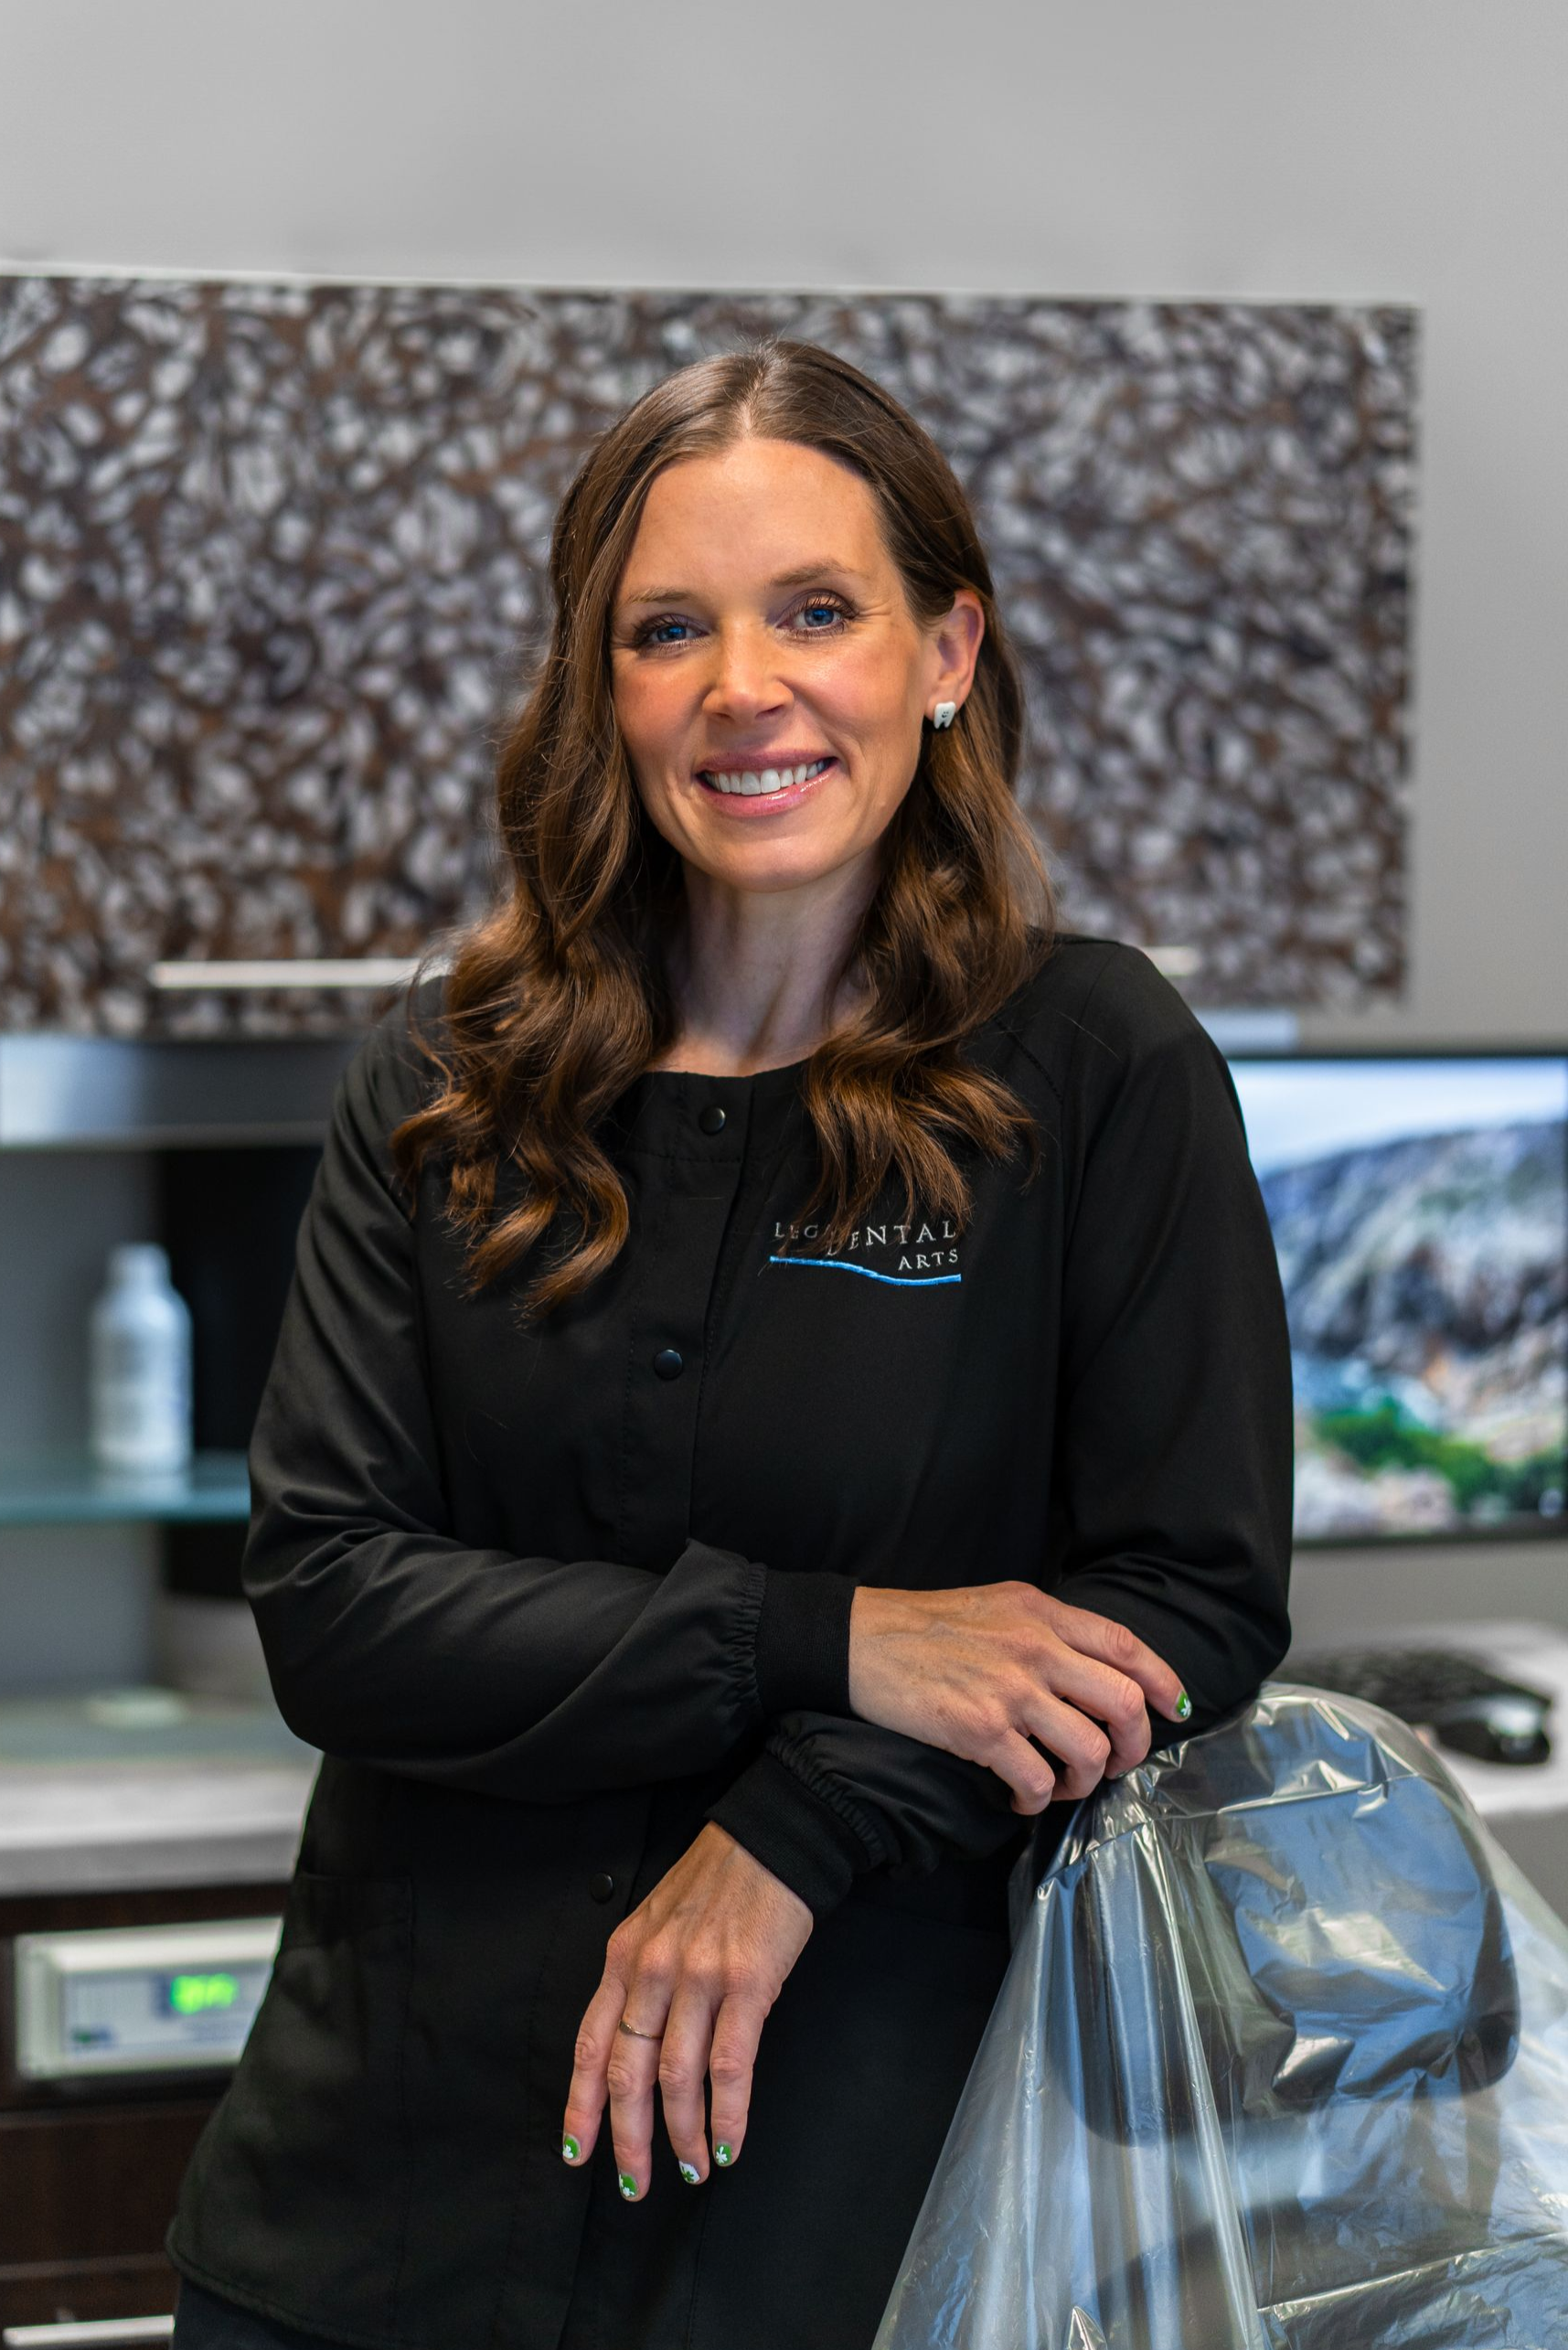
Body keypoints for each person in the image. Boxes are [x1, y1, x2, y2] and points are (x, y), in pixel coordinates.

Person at [167, 339, 1293, 2350]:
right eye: (665, 629)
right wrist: (829, 1635)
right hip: (383, 2202)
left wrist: (786, 1828)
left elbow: (1179, 1599)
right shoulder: (441, 1079)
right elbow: (331, 1603)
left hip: (851, 2199)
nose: (739, 689)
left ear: (944, 649)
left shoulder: (1091, 1067)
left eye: (814, 613)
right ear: (600, 687)